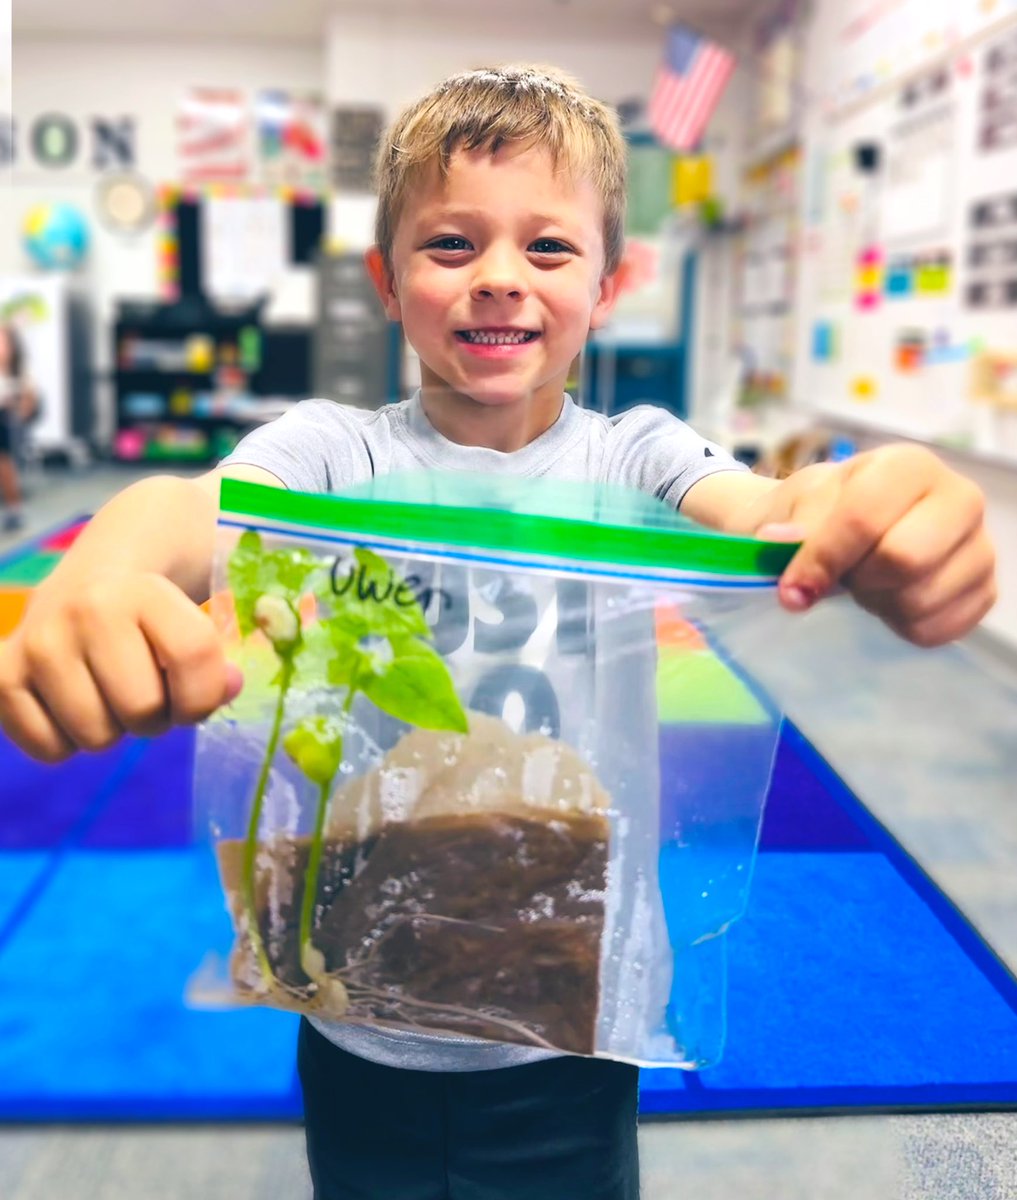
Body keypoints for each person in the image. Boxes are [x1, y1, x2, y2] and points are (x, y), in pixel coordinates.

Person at [0, 65, 996, 1199]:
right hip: (359, 999)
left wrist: (863, 507)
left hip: (566, 1021)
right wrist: (109, 567)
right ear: (386, 279)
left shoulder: (636, 454)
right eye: (451, 245)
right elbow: (195, 506)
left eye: (550, 250)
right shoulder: (336, 452)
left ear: (609, 284)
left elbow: (772, 512)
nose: (499, 282)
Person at [0, 323, 38, 533]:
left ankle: (14, 508)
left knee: (3, 461)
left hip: (6, 421)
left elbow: (29, 403)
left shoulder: (19, 371)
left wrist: (18, 407)